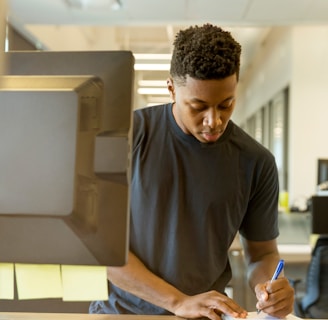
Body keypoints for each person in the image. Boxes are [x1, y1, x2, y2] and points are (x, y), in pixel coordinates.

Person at [89, 23, 294, 319]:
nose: (214, 121)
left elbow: (262, 254)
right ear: (171, 88)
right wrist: (176, 301)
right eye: (198, 106)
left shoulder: (255, 161)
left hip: (205, 315)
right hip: (121, 312)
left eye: (226, 104)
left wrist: (269, 288)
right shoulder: (126, 137)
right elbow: (99, 247)